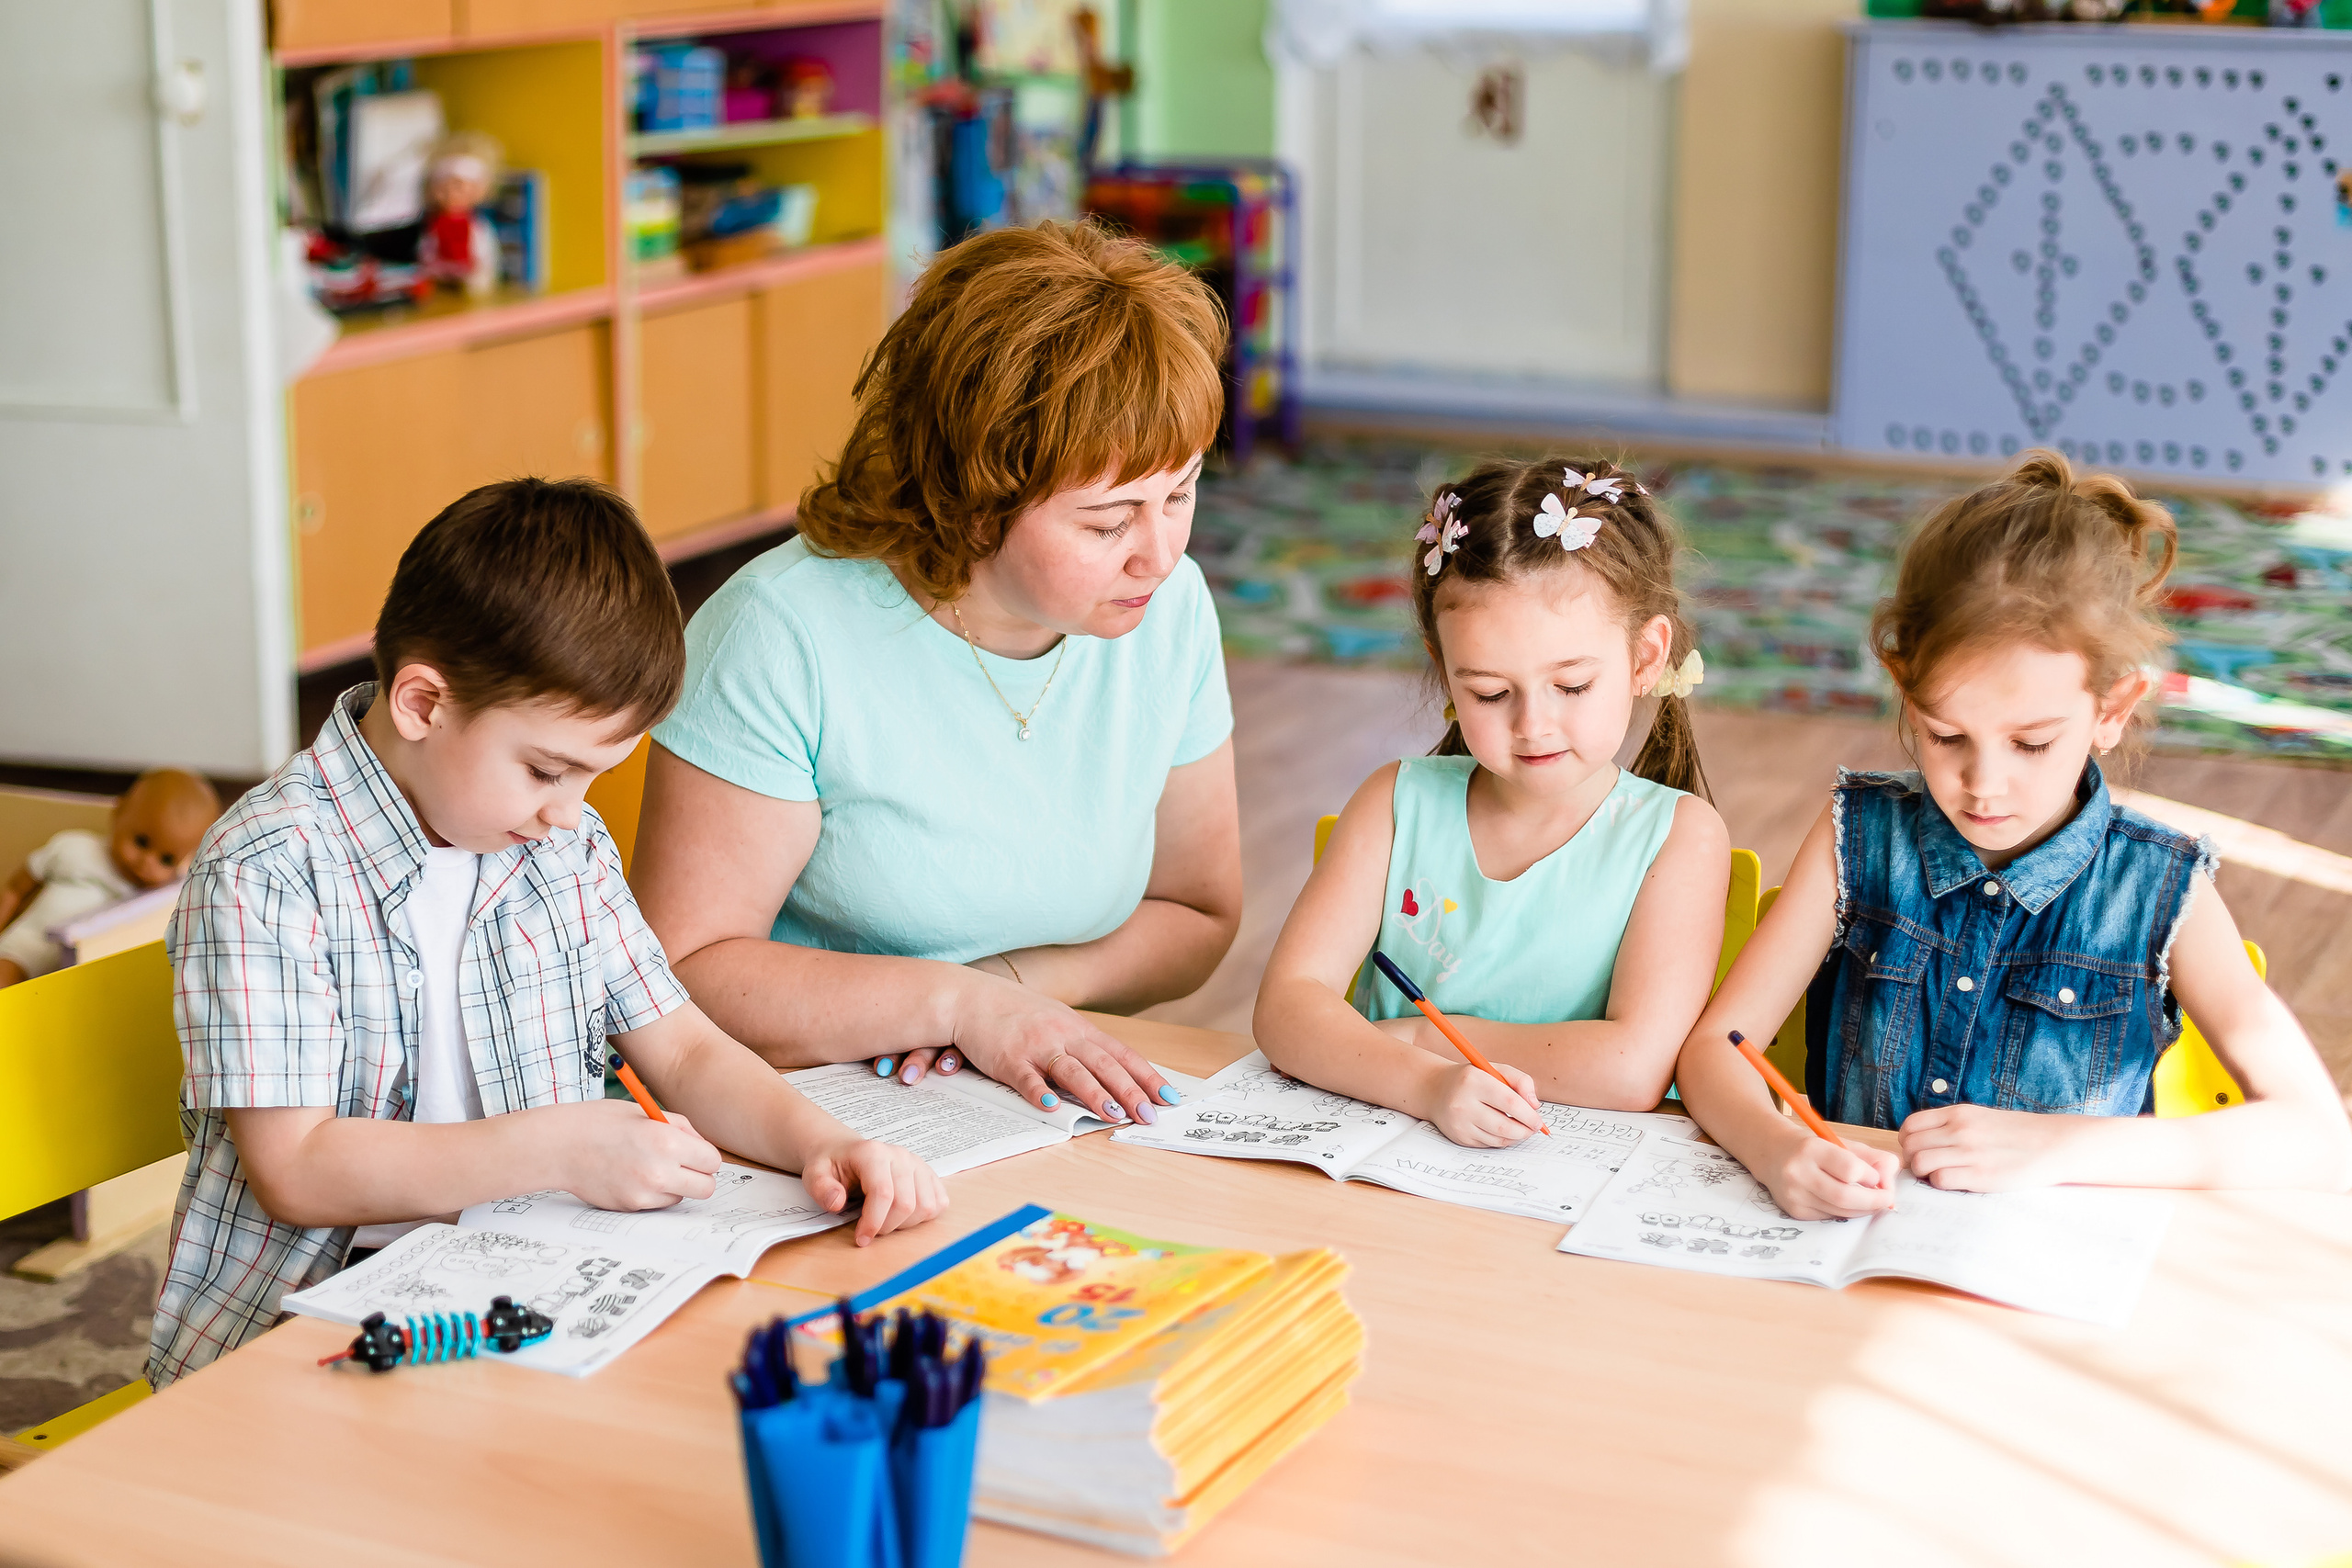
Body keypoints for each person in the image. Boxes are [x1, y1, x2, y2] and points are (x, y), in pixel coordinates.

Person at [147, 479, 944, 1387]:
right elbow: (297, 1168)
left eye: (591, 780)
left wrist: (819, 1141)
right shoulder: (268, 869)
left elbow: (680, 1051)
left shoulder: (558, 849)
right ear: (421, 705)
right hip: (304, 1339)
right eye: (544, 771)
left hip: (520, 1297)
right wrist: (563, 1146)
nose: (568, 815)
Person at [630, 220, 1241, 1127]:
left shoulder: (1170, 609)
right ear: (973, 494)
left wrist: (1015, 998)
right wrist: (961, 1008)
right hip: (795, 1114)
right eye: (1108, 522)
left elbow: (1197, 913)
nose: (1158, 554)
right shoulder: (781, 633)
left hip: (1032, 1103)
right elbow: (679, 979)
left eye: (1180, 494)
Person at [1676, 451, 2352, 1219]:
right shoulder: (1854, 840)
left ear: (2112, 707)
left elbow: (2319, 1140)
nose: (1983, 782)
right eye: (1944, 734)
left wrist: (2057, 1148)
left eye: (2031, 742)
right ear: (1905, 685)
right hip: (1842, 1248)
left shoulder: (2161, 890)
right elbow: (1714, 1052)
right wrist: (1778, 1148)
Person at [1253, 457, 1730, 1145]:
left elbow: (1633, 1068)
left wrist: (1423, 1036)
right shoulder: (1394, 804)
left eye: (1570, 686)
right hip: (1376, 1159)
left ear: (1644, 657)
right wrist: (1425, 1085)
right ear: (1443, 666)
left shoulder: (1678, 836)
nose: (1532, 724)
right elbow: (1286, 1009)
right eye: (1489, 693)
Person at [0, 767, 220, 986]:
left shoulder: (159, 896)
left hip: (81, 975)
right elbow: (16, 889)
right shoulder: (76, 849)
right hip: (27, 950)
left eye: (166, 860)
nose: (147, 863)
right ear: (120, 811)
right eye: (141, 842)